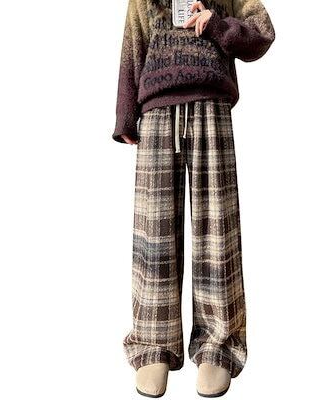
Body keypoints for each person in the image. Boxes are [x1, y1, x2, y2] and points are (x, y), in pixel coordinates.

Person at [112, 0, 275, 397]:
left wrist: (217, 25)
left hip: (211, 107)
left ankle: (218, 345)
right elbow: (133, 45)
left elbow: (261, 33)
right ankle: (153, 344)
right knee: (154, 235)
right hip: (156, 114)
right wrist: (124, 115)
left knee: (216, 230)